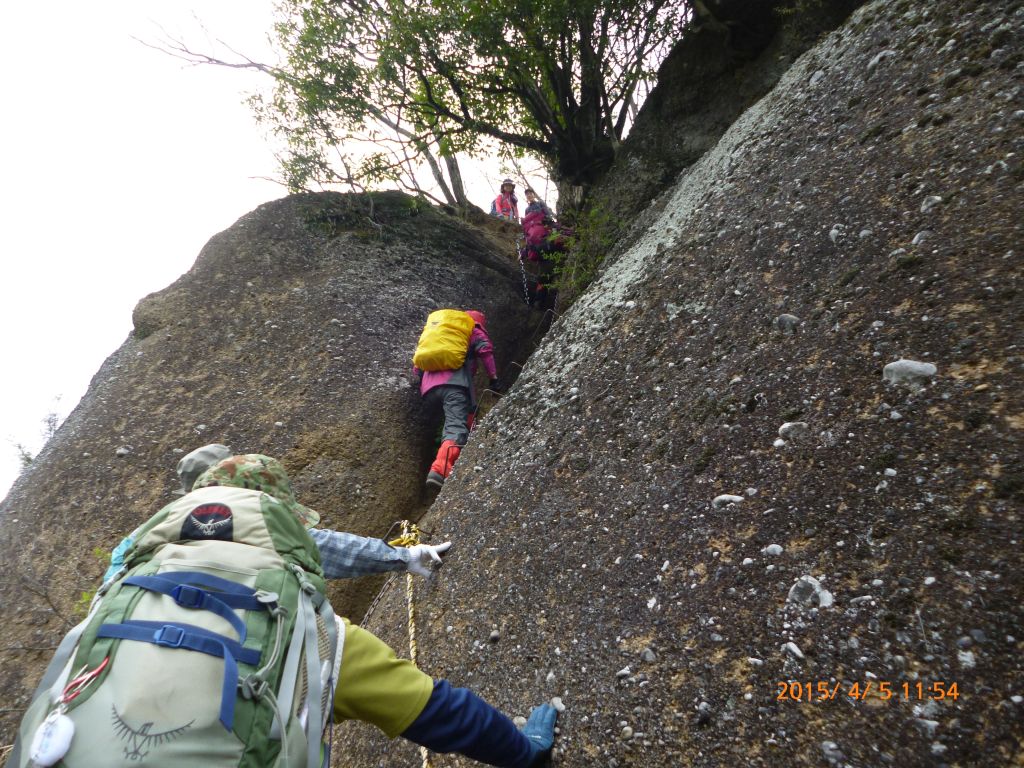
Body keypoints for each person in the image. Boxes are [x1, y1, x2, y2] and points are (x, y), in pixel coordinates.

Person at [107, 451, 558, 768]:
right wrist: (527, 751)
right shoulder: (311, 637)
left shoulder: (127, 581)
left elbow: (322, 547)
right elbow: (441, 711)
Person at [413, 311, 498, 489]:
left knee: (460, 419)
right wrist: (494, 378)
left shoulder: (441, 334)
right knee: (455, 427)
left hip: (428, 389)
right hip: (454, 386)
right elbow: (485, 350)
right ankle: (440, 469)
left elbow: (417, 368)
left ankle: (451, 457)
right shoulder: (472, 329)